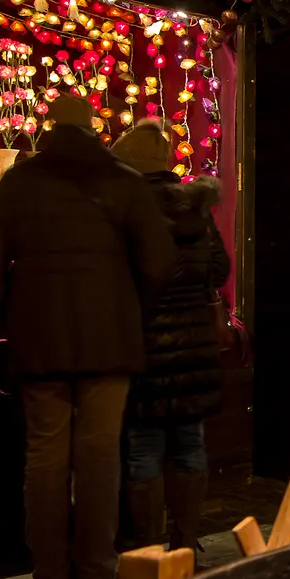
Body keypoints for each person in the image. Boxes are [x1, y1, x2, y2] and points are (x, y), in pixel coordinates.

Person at [0, 97, 177, 579]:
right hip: (109, 343)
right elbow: (159, 263)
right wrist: (129, 311)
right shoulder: (124, 181)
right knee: (100, 458)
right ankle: (97, 573)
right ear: (93, 129)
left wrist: (15, 309)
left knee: (45, 459)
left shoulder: (20, 182)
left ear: (49, 128)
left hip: (40, 340)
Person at [108, 120, 231, 553]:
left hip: (143, 345)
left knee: (142, 446)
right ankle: (185, 541)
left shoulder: (123, 209)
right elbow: (219, 270)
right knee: (189, 444)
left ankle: (148, 546)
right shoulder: (193, 207)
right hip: (194, 344)